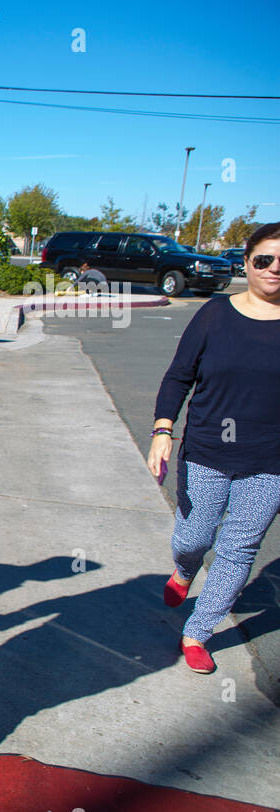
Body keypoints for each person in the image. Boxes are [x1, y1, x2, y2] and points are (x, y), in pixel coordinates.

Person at [148, 222, 280, 674]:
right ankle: (185, 571)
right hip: (207, 449)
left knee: (239, 549)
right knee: (194, 539)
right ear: (247, 262)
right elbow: (178, 375)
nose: (274, 268)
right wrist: (162, 431)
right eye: (264, 259)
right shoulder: (215, 314)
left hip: (270, 460)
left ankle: (198, 633)